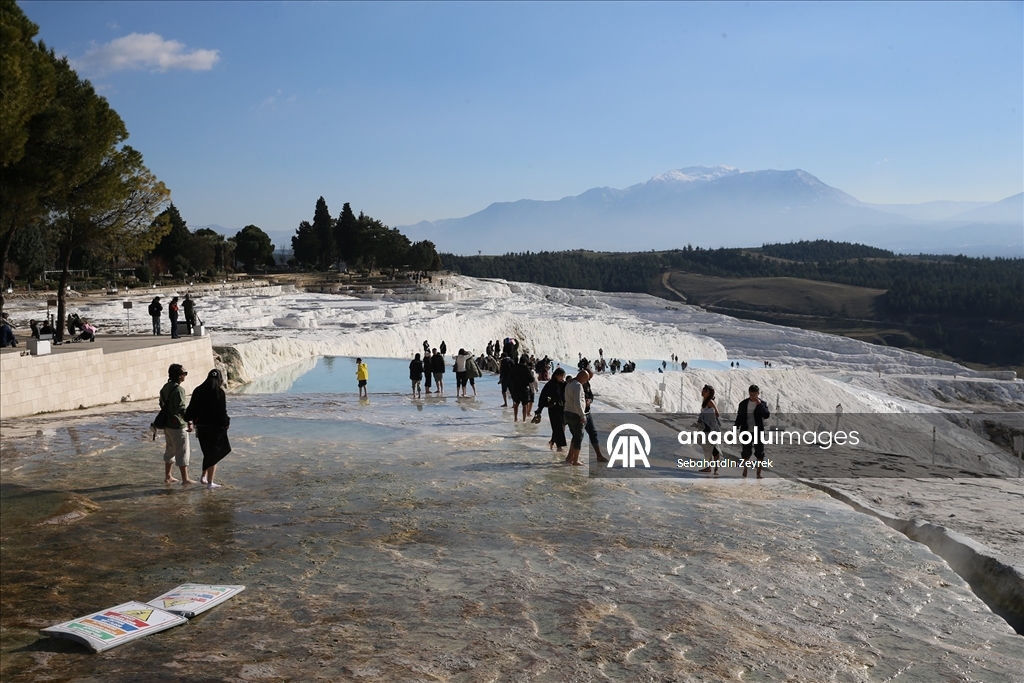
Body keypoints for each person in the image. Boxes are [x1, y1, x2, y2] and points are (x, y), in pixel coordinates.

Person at [184, 369, 231, 489]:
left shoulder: (198, 390)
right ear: (219, 379)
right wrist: (226, 423)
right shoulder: (219, 392)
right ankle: (210, 482)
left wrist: (189, 419)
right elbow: (222, 412)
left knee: (207, 452)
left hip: (202, 428)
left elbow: (191, 409)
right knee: (214, 453)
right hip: (216, 428)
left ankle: (204, 477)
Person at [160, 363, 195, 484]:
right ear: (179, 376)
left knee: (170, 450)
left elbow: (161, 403)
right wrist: (189, 422)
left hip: (167, 424)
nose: (185, 375)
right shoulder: (179, 390)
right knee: (182, 451)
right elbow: (181, 409)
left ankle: (168, 476)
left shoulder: (165, 387)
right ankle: (185, 479)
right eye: (184, 373)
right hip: (177, 426)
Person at [735, 384, 771, 478]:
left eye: (754, 394)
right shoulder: (743, 404)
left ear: (758, 393)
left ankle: (758, 473)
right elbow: (739, 417)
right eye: (751, 394)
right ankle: (745, 470)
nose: (752, 396)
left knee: (760, 452)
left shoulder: (762, 403)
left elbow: (766, 415)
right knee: (746, 452)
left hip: (758, 431)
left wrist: (759, 405)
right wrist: (735, 427)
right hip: (746, 431)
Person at [535, 368, 567, 451]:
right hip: (553, 409)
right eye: (561, 376)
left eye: (563, 376)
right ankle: (559, 447)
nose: (562, 378)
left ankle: (552, 441)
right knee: (558, 427)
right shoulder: (550, 384)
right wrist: (539, 409)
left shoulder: (564, 384)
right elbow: (542, 397)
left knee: (561, 427)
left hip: (563, 408)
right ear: (556, 375)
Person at [580, 368, 608, 462]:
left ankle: (599, 455)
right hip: (578, 413)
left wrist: (590, 400)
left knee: (593, 433)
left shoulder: (587, 383)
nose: (589, 380)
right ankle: (571, 456)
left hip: (587, 412)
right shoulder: (576, 384)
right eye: (588, 378)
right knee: (578, 435)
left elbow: (591, 395)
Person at [563, 370, 588, 465]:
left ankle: (569, 457)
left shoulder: (569, 384)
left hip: (567, 412)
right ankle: (575, 460)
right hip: (575, 414)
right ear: (582, 377)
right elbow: (577, 403)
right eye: (586, 379)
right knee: (579, 437)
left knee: (575, 435)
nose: (586, 381)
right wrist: (582, 415)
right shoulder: (578, 385)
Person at [697, 384, 722, 474]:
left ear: (708, 392)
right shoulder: (705, 401)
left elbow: (717, 413)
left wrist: (708, 418)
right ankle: (708, 467)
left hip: (712, 428)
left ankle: (716, 469)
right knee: (707, 447)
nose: (702, 392)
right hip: (706, 427)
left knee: (714, 447)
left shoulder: (710, 401)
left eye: (704, 390)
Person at [512, 354, 536, 422]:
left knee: (516, 403)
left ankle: (515, 418)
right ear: (525, 362)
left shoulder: (514, 367)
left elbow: (510, 377)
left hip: (515, 387)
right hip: (524, 388)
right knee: (524, 404)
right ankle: (524, 419)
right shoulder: (526, 368)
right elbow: (531, 379)